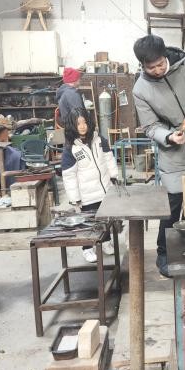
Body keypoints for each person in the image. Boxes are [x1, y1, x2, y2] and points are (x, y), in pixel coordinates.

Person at [132, 34, 185, 277]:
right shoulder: (141, 89)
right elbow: (149, 126)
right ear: (142, 65)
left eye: (160, 64)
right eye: (151, 68)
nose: (158, 70)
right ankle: (164, 252)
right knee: (172, 206)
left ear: (165, 56)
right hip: (173, 154)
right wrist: (168, 136)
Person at [61, 108, 119, 263]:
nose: (82, 126)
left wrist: (114, 175)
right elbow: (69, 176)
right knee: (87, 223)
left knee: (104, 220)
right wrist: (75, 198)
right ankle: (87, 248)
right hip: (87, 195)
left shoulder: (99, 140)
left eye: (85, 122)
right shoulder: (71, 149)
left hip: (104, 190)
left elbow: (109, 158)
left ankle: (105, 242)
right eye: (78, 123)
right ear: (72, 126)